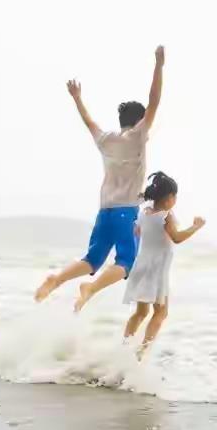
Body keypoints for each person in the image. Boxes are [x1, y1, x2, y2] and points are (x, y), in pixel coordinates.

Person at [34, 45, 166, 311]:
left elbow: (88, 121)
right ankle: (90, 288)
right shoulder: (138, 136)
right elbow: (154, 101)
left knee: (93, 258)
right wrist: (158, 66)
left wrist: (77, 98)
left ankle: (56, 279)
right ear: (140, 121)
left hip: (104, 210)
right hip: (126, 211)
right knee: (126, 262)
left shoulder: (105, 140)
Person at [121, 172, 205, 359]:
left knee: (141, 312)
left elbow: (137, 231)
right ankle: (141, 352)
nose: (175, 200)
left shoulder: (145, 212)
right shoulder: (166, 216)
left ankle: (124, 346)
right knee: (161, 312)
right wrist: (195, 227)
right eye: (175, 196)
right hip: (156, 269)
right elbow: (177, 238)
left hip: (142, 265)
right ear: (169, 198)